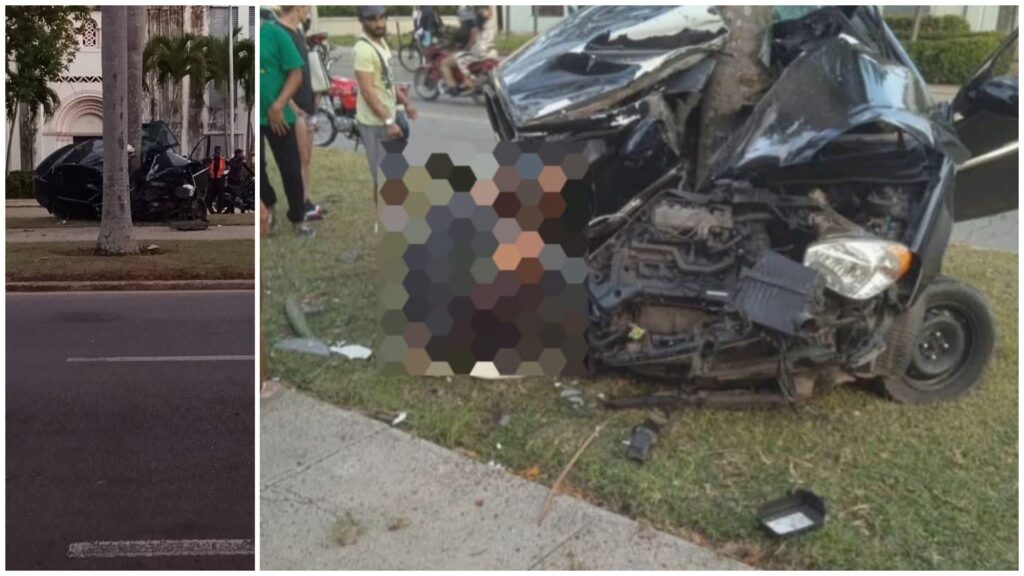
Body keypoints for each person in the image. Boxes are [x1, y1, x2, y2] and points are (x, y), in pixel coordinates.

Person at [353, 5, 418, 226]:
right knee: (382, 178)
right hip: (375, 124)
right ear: (362, 20)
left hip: (387, 119)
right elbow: (368, 91)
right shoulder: (363, 49)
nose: (379, 23)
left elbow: (386, 83)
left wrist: (406, 102)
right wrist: (389, 121)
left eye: (382, 17)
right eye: (373, 19)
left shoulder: (380, 43)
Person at [260, 11, 313, 236]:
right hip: (253, 116)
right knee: (255, 169)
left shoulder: (275, 33)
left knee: (290, 167)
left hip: (278, 116)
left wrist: (279, 105)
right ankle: (268, 204)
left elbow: (296, 72)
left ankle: (298, 218)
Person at [274, 5, 325, 221]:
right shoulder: (279, 33)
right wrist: (292, 107)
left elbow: (306, 69)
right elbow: (278, 74)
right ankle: (298, 206)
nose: (309, 11)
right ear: (298, 6)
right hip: (296, 110)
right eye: (308, 6)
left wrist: (317, 97)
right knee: (298, 157)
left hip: (309, 103)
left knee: (306, 158)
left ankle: (307, 201)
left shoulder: (299, 32)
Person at [441, 6, 496, 94]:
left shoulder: (477, 22)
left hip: (478, 53)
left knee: (444, 63)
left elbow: (473, 40)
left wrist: (465, 48)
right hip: (491, 53)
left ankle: (453, 86)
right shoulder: (492, 23)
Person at [207, 146, 228, 213]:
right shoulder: (211, 159)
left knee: (220, 197)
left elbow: (226, 169)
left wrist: (224, 179)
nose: (218, 152)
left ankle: (219, 211)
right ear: (214, 151)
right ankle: (210, 208)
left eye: (219, 150)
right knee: (210, 196)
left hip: (220, 180)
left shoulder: (223, 159)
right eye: (217, 151)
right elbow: (208, 169)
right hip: (213, 181)